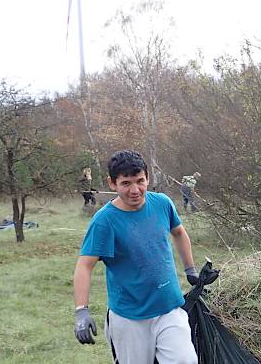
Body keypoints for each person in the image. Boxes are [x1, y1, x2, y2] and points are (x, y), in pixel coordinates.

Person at [73, 150, 201, 364]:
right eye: (126, 183)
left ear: (148, 178)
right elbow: (84, 266)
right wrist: (81, 311)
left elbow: (178, 232)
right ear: (112, 183)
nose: (135, 190)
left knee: (185, 360)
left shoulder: (162, 203)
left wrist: (190, 270)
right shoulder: (105, 221)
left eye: (140, 181)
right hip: (130, 317)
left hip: (169, 307)